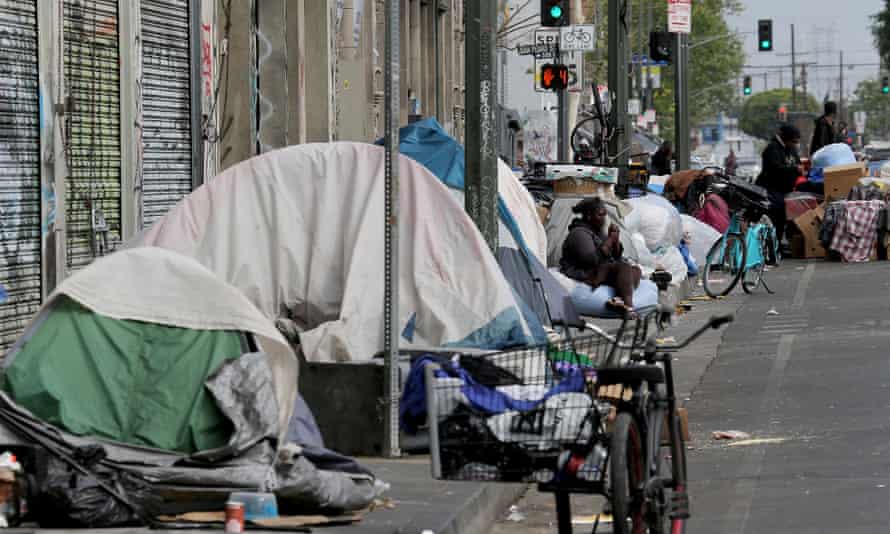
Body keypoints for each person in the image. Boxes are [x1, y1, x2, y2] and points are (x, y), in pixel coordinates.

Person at [560, 197, 642, 316]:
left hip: (601, 269)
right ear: (589, 216)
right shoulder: (579, 233)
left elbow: (616, 256)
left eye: (605, 215)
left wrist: (615, 240)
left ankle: (617, 300)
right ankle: (629, 307)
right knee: (623, 267)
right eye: (600, 215)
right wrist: (609, 240)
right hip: (584, 271)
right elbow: (591, 260)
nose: (604, 219)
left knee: (635, 270)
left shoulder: (597, 232)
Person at [756, 124, 803, 245]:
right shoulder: (772, 149)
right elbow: (775, 170)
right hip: (771, 189)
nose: (795, 145)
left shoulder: (791, 149)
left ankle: (778, 244)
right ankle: (772, 245)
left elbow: (797, 163)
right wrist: (794, 169)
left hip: (785, 190)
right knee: (778, 214)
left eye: (797, 142)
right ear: (786, 139)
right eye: (793, 142)